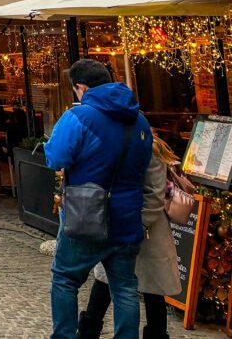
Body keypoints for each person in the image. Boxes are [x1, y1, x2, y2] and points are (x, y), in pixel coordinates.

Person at [45, 59, 153, 339]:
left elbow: (56, 157)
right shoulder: (140, 119)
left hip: (87, 212)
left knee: (65, 279)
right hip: (128, 214)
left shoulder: (79, 116)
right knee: (125, 287)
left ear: (81, 87)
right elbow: (144, 164)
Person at [77, 134, 181, 339]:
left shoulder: (150, 148)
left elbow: (155, 195)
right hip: (124, 224)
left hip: (147, 231)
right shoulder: (116, 141)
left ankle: (153, 334)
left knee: (151, 289)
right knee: (105, 279)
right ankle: (88, 332)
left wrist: (138, 224)